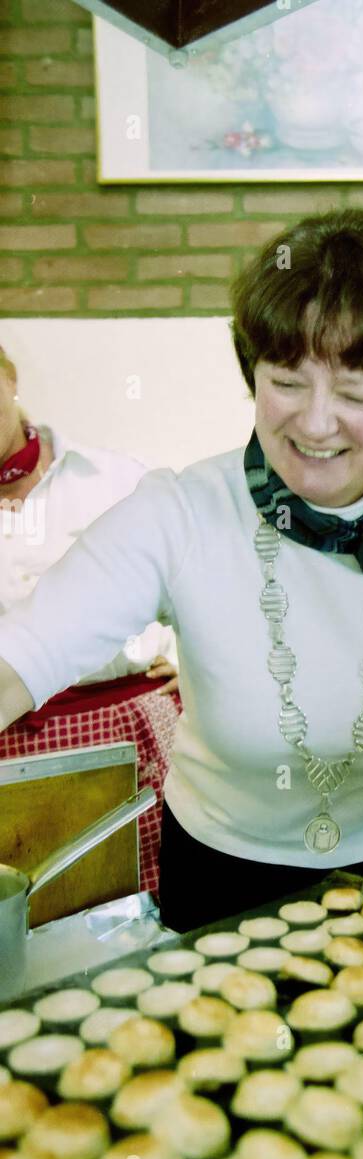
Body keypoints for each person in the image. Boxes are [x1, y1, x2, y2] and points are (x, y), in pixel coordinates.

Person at [0, 211, 363, 931]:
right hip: (216, 878)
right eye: (286, 382)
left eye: (356, 392)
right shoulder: (180, 513)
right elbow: (24, 655)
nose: (313, 423)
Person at [0, 345, 180, 892]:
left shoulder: (112, 477)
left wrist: (193, 661)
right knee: (21, 909)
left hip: (126, 726)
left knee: (148, 904)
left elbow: (194, 574)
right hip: (7, 739)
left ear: (8, 378)